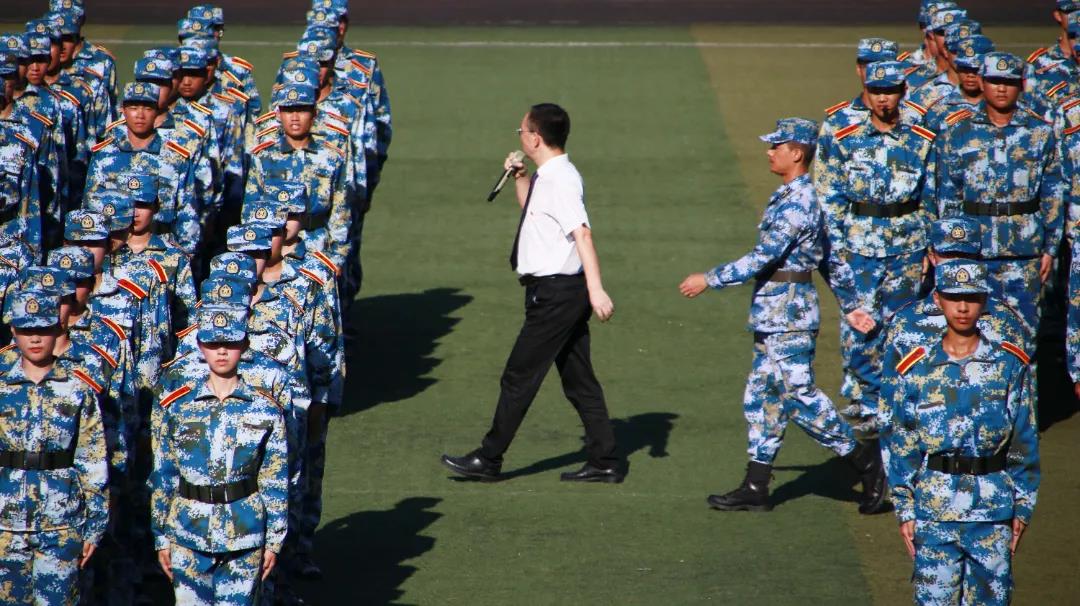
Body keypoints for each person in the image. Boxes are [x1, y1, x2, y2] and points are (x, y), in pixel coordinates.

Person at [679, 118, 885, 513]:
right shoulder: (793, 195)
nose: (769, 152)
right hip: (775, 313)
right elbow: (830, 258)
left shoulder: (798, 202)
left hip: (789, 315)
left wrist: (710, 278)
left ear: (797, 153)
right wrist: (850, 305)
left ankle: (866, 462)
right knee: (762, 397)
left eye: (777, 146)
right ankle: (756, 486)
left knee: (799, 396)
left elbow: (765, 256)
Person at [441, 103, 621, 483]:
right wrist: (521, 177)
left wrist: (596, 290)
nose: (519, 136)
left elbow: (582, 234)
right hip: (556, 293)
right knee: (579, 380)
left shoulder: (561, 180)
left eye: (521, 131)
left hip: (556, 295)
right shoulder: (547, 176)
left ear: (536, 138)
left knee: (518, 376)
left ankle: (489, 458)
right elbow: (533, 212)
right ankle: (605, 460)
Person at [887, 259, 1039, 605]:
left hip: (992, 511)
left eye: (971, 297)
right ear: (937, 299)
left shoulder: (1009, 364)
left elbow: (1023, 440)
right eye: (954, 297)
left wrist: (1023, 507)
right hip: (934, 510)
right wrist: (905, 509)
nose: (963, 307)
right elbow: (903, 443)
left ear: (984, 301)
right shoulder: (916, 368)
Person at [814, 61, 938, 439]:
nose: (884, 99)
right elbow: (829, 194)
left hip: (907, 245)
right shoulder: (844, 135)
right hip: (859, 244)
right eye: (877, 91)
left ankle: (897, 403)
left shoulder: (921, 137)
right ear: (866, 92)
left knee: (903, 326)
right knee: (861, 328)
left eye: (891, 91)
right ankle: (869, 402)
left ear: (902, 92)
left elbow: (933, 195)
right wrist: (835, 247)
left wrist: (932, 245)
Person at [150, 304, 288, 605]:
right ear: (200, 346)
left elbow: (274, 479)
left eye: (231, 343)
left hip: (244, 532)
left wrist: (274, 541)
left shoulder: (265, 409)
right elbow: (164, 473)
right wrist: (161, 535)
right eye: (213, 343)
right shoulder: (177, 407)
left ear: (244, 345)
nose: (222, 351)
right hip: (188, 530)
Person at [936, 52, 1064, 332]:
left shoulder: (1040, 133)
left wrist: (1050, 248)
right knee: (976, 332)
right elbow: (948, 196)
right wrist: (952, 248)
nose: (1002, 88)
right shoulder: (958, 132)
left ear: (1021, 85)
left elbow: (1052, 193)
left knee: (1024, 332)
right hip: (974, 251)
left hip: (1024, 251)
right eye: (995, 81)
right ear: (982, 83)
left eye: (1009, 82)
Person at [0, 290, 108, 605]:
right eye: (27, 330)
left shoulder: (77, 388)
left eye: (43, 329)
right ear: (13, 330)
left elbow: (92, 459)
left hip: (61, 522)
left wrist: (95, 526)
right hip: (5, 523)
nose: (35, 339)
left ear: (58, 329)